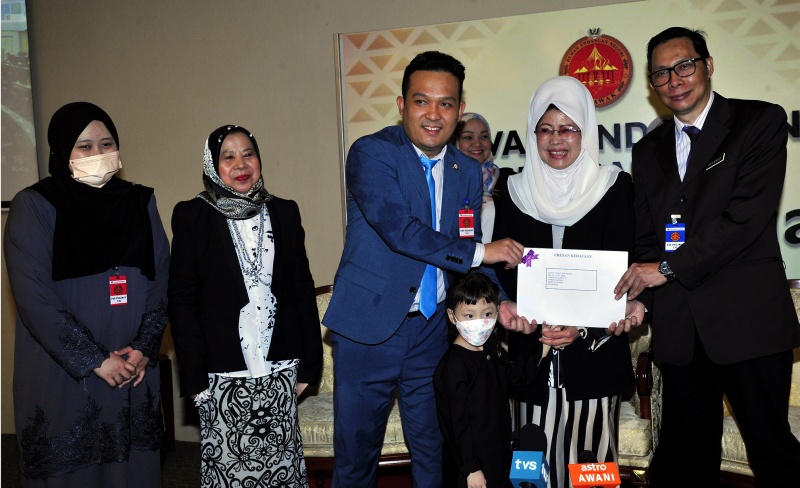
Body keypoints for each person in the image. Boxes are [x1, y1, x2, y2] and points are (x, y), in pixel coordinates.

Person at [322, 51, 528, 488]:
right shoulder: (372, 153)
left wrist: (502, 302)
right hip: (368, 330)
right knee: (356, 459)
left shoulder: (467, 171)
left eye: (446, 103)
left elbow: (468, 251)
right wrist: (483, 252)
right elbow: (402, 231)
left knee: (437, 454)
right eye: (422, 101)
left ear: (459, 109)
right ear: (402, 105)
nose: (434, 114)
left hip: (432, 334)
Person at [614, 27, 800, 487]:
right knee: (684, 459)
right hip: (680, 327)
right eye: (661, 73)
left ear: (708, 64)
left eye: (684, 65)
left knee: (772, 451)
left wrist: (666, 268)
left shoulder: (758, 121)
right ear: (652, 85)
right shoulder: (648, 149)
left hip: (747, 322)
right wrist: (641, 300)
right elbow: (647, 239)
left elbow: (746, 219)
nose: (674, 79)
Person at [3, 102, 170, 487]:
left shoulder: (140, 202)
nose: (98, 154)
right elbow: (34, 297)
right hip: (64, 374)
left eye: (106, 144)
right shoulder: (35, 205)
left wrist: (144, 347)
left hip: (132, 368)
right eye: (85, 146)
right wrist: (96, 359)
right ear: (63, 152)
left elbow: (163, 277)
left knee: (134, 472)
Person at [491, 76, 644, 488]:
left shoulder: (614, 187)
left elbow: (620, 270)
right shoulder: (513, 190)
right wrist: (508, 306)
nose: (556, 140)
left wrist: (583, 324)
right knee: (529, 472)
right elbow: (503, 271)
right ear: (532, 133)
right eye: (545, 129)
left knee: (591, 473)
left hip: (593, 358)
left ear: (586, 131)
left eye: (568, 128)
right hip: (529, 359)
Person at [168, 125, 322, 488]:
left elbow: (302, 290)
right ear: (212, 166)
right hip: (221, 375)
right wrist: (195, 380)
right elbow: (182, 302)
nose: (241, 164)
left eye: (248, 154)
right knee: (232, 471)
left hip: (280, 367)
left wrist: (309, 366)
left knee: (280, 469)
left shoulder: (284, 212)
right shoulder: (193, 216)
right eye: (228, 157)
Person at [433, 272, 547, 488]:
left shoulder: (492, 349)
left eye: (487, 313)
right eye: (469, 315)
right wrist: (471, 468)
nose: (480, 322)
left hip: (498, 453)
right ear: (452, 316)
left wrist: (546, 344)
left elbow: (519, 376)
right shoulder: (453, 366)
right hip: (471, 463)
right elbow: (455, 424)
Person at [452, 113, 500, 243]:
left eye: (484, 136)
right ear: (455, 142)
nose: (477, 143)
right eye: (468, 137)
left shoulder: (506, 182)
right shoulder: (443, 183)